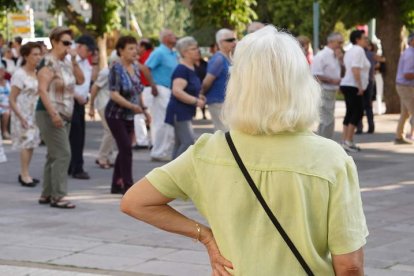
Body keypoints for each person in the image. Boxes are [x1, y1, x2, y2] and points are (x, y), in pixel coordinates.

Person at [121, 26, 368, 275]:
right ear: (302, 82)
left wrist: (205, 236)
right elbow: (350, 266)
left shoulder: (210, 150)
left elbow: (135, 202)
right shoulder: (330, 158)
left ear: (238, 84)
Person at [35, 26, 84, 209]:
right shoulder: (48, 62)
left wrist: (74, 60)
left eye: (70, 43)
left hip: (65, 113)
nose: (68, 46)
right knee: (63, 153)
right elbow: (42, 89)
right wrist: (53, 114)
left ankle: (47, 194)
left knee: (53, 154)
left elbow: (80, 81)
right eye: (65, 43)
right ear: (54, 42)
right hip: (49, 112)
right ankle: (59, 195)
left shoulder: (66, 62)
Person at [105, 35, 150, 194]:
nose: (134, 51)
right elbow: (114, 94)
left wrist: (144, 110)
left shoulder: (136, 68)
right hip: (115, 114)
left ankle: (116, 184)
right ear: (120, 51)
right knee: (126, 148)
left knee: (125, 149)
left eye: (135, 48)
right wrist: (132, 106)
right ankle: (128, 186)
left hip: (130, 115)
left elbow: (138, 92)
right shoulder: (116, 68)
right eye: (130, 48)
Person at [165, 36, 205, 159]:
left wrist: (199, 96)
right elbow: (177, 91)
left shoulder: (191, 68)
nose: (197, 50)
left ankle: (170, 174)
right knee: (188, 142)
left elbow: (190, 88)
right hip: (179, 111)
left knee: (180, 143)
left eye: (197, 48)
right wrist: (196, 101)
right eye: (193, 49)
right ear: (184, 52)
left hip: (185, 111)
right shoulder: (181, 69)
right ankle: (174, 173)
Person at [9, 42, 42, 187]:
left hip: (34, 113)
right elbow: (12, 98)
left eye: (39, 54)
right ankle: (24, 174)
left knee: (32, 144)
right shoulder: (19, 74)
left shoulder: (37, 72)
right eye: (34, 54)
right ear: (26, 56)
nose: (38, 57)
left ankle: (26, 172)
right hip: (23, 113)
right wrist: (20, 116)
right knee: (26, 143)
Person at [145, 29, 178, 161]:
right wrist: (152, 85)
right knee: (162, 121)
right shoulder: (159, 52)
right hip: (161, 88)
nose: (174, 37)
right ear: (164, 38)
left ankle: (162, 150)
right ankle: (158, 152)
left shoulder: (172, 53)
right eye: (170, 35)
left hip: (169, 89)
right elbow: (146, 67)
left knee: (167, 121)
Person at [68, 35, 96, 180]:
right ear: (79, 46)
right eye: (88, 49)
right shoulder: (70, 60)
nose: (90, 53)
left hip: (80, 103)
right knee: (74, 136)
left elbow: (88, 81)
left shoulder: (86, 62)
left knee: (79, 135)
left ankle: (73, 165)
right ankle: (76, 167)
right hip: (70, 100)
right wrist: (76, 95)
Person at [340, 30, 370, 152]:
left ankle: (345, 140)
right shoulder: (358, 50)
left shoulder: (350, 51)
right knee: (357, 112)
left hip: (347, 84)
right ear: (357, 39)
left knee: (350, 111)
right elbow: (355, 69)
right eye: (364, 38)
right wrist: (360, 86)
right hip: (353, 85)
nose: (366, 40)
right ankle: (348, 140)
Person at [201, 28, 237, 132]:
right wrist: (201, 94)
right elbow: (207, 82)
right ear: (221, 42)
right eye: (230, 40)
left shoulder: (227, 57)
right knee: (224, 133)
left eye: (234, 39)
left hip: (225, 102)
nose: (234, 42)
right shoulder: (218, 59)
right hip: (218, 102)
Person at [311, 32, 344, 139]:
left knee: (328, 118)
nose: (341, 45)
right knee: (327, 119)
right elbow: (316, 74)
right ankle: (324, 141)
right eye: (339, 42)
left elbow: (342, 72)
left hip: (332, 90)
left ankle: (324, 140)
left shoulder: (336, 55)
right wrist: (331, 80)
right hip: (325, 89)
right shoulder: (322, 55)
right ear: (330, 42)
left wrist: (341, 60)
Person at [89, 64, 115, 169]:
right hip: (104, 104)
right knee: (110, 131)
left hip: (111, 105)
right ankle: (102, 157)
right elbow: (95, 87)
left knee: (111, 131)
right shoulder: (107, 72)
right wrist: (91, 106)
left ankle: (108, 156)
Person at [133, 39, 154, 150]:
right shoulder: (150, 55)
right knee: (152, 115)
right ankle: (154, 141)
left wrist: (135, 61)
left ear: (144, 47)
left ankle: (142, 141)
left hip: (146, 88)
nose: (136, 49)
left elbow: (144, 69)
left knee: (139, 114)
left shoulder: (146, 56)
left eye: (138, 47)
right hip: (149, 88)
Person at [395, 33, 414, 144]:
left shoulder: (410, 53)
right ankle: (401, 135)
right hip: (406, 86)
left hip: (405, 86)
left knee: (405, 113)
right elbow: (407, 74)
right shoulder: (410, 54)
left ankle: (399, 136)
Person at [0, 64, 11, 139]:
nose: (1, 73)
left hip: (9, 103)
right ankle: (4, 131)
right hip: (1, 104)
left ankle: (5, 131)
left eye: (2, 71)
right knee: (5, 112)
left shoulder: (8, 82)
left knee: (7, 111)